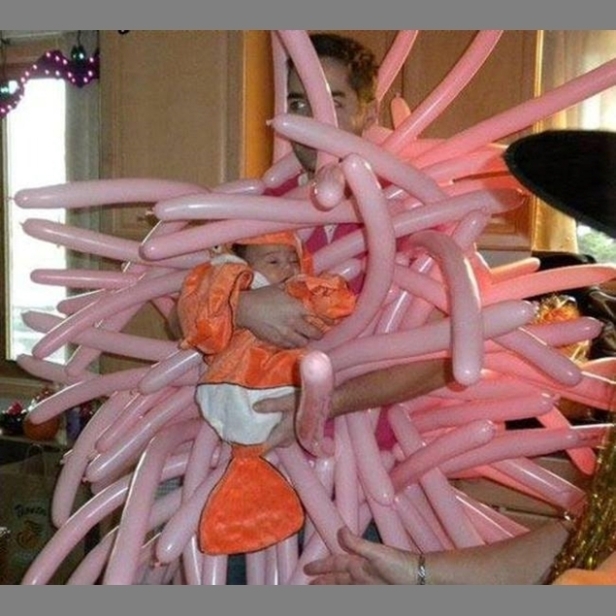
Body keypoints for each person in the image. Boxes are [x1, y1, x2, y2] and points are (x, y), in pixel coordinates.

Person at [176, 230, 356, 556]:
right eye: (273, 262)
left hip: (335, 452)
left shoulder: (300, 288)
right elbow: (189, 317)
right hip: (235, 400)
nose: (287, 268)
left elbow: (336, 305)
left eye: (292, 260)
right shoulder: (232, 278)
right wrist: (239, 306)